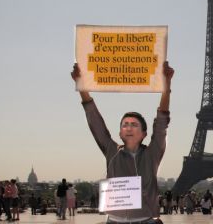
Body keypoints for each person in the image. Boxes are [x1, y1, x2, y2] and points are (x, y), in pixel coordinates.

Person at [71, 61, 174, 224]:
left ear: (144, 134)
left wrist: (166, 83)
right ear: (120, 133)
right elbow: (95, 122)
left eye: (134, 124)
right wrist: (81, 85)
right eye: (125, 124)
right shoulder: (112, 151)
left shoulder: (152, 154)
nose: (128, 127)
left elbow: (162, 122)